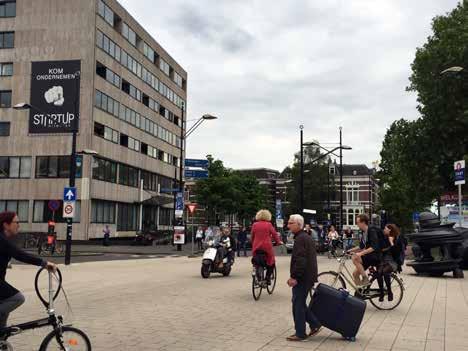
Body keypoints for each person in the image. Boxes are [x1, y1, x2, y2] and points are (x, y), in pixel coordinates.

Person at [0, 211, 57, 329]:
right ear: (6, 225)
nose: (19, 225)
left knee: (4, 311)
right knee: (17, 298)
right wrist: (44, 263)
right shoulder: (2, 240)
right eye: (16, 222)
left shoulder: (3, 239)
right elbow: (20, 255)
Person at [286, 214, 321, 341]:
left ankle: (300, 333)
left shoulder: (301, 239)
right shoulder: (305, 237)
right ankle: (315, 324)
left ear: (298, 225)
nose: (288, 225)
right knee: (298, 302)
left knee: (298, 304)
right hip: (308, 276)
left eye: (291, 223)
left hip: (303, 277)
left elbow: (301, 260)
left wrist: (294, 277)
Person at [348, 214, 384, 286]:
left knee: (355, 258)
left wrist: (360, 254)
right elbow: (361, 246)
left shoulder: (371, 230)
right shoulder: (363, 232)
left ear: (363, 222)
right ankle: (361, 292)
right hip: (369, 257)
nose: (357, 224)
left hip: (375, 256)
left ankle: (365, 279)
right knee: (355, 274)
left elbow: (374, 247)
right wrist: (349, 250)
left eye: (357, 222)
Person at [251, 210, 283, 285]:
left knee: (256, 260)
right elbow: (274, 234)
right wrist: (278, 242)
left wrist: (253, 243)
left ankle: (256, 273)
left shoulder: (255, 225)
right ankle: (267, 279)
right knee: (271, 262)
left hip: (256, 246)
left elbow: (252, 236)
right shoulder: (269, 224)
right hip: (266, 247)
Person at [376, 224, 402, 301]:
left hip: (393, 262)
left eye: (385, 228)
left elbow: (396, 253)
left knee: (385, 272)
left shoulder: (397, 239)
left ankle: (390, 292)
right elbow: (381, 249)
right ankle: (381, 293)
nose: (384, 230)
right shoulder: (385, 238)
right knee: (379, 273)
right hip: (384, 261)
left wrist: (391, 242)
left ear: (390, 230)